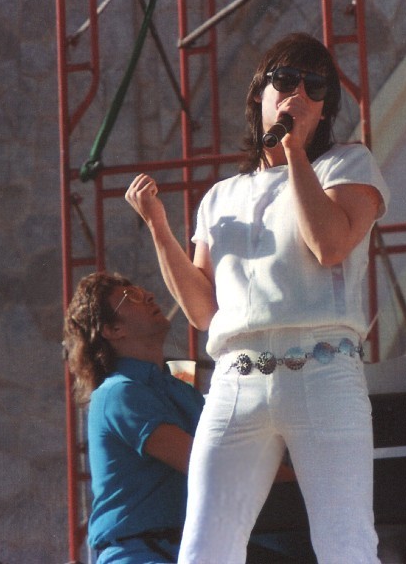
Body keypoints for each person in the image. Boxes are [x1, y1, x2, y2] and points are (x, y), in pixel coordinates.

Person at [125, 32, 389, 563]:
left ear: (324, 110)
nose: (298, 94)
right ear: (259, 95)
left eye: (315, 88)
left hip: (322, 369)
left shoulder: (347, 165)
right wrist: (158, 228)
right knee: (204, 547)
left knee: (346, 544)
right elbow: (203, 312)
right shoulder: (221, 196)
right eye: (286, 80)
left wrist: (293, 151)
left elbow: (329, 244)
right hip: (236, 381)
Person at [63, 271, 204, 563]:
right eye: (132, 298)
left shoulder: (178, 389)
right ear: (112, 330)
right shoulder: (118, 393)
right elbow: (206, 463)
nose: (149, 296)